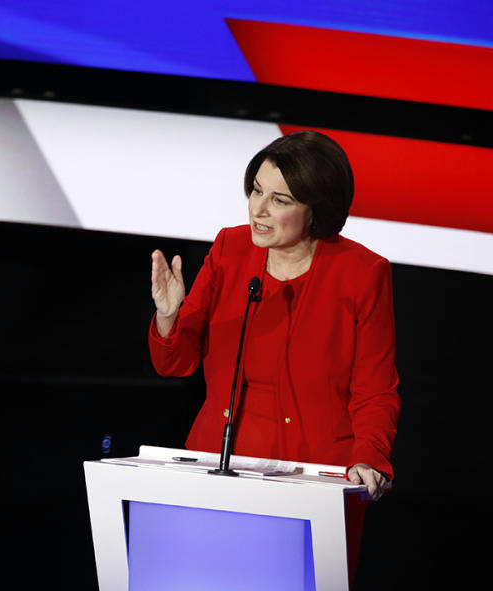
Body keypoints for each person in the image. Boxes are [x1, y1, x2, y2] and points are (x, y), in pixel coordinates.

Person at [149, 130, 399, 504]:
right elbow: (177, 364)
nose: (258, 209)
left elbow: (375, 390)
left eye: (279, 199)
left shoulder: (361, 273)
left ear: (317, 209)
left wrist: (369, 458)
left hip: (316, 478)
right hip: (217, 464)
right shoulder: (229, 250)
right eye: (256, 190)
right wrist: (168, 317)